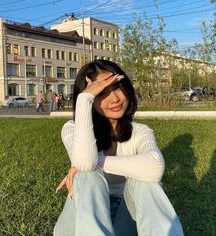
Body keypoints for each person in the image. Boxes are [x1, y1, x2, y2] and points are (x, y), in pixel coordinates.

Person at [54, 60, 184, 236]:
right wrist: (84, 99)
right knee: (86, 175)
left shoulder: (140, 132)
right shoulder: (72, 129)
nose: (114, 99)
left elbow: (156, 168)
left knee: (144, 180)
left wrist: (95, 161)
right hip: (81, 223)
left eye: (116, 87)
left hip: (126, 219)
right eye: (100, 93)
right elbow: (85, 165)